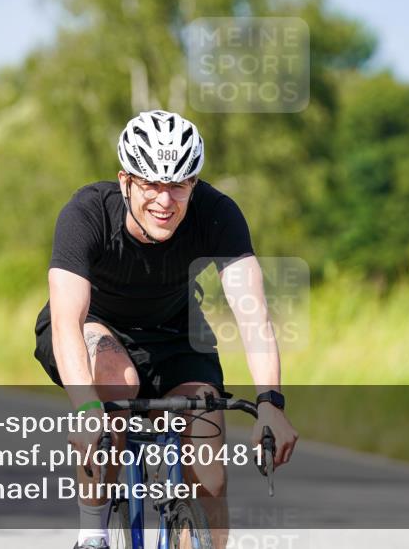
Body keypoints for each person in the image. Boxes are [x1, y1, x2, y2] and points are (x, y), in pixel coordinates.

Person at [34, 110, 298, 549]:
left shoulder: (217, 214)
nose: (164, 200)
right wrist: (84, 409)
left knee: (210, 472)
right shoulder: (86, 213)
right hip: (95, 331)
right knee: (117, 384)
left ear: (193, 184)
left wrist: (271, 403)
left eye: (177, 185)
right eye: (151, 184)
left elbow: (254, 318)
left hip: (174, 335)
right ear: (125, 181)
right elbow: (66, 322)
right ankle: (92, 534)